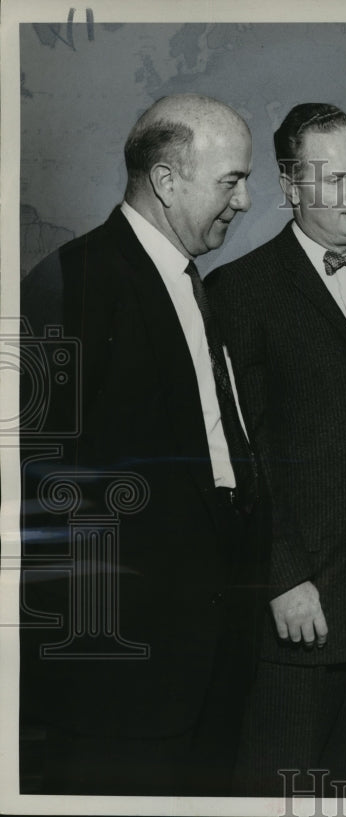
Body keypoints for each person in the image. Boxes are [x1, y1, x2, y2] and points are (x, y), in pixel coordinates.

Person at [20, 93, 260, 795]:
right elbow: (38, 487)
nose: (244, 202)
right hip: (122, 680)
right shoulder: (72, 282)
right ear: (166, 179)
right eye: (231, 181)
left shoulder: (191, 282)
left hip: (204, 666)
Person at [206, 103, 346, 795]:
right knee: (279, 794)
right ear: (291, 187)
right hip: (301, 608)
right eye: (332, 178)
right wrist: (283, 576)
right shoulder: (239, 290)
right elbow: (244, 451)